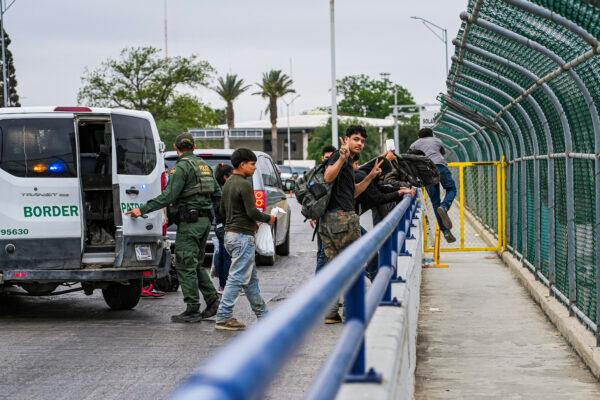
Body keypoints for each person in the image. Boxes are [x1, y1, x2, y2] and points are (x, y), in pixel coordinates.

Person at [128, 133, 221, 323]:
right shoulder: (205, 167)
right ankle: (212, 301)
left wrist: (142, 209)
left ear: (175, 147)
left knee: (185, 264)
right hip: (204, 222)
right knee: (194, 264)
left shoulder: (181, 168)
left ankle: (192, 309)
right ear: (194, 146)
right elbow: (217, 194)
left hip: (191, 223)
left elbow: (168, 197)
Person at [319, 125, 383, 324]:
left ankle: (330, 312)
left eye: (362, 141)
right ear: (346, 139)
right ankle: (351, 312)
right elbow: (328, 177)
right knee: (354, 265)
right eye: (356, 139)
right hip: (342, 220)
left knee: (335, 266)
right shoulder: (340, 157)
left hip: (332, 219)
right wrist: (341, 158)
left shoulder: (347, 163)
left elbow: (352, 193)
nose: (360, 144)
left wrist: (371, 176)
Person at [215, 148, 276, 331]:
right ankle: (223, 316)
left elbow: (223, 212)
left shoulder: (227, 184)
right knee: (237, 278)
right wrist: (268, 219)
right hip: (242, 237)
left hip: (230, 235)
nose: (255, 168)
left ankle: (264, 316)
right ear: (242, 164)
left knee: (250, 280)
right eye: (252, 164)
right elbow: (251, 211)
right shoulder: (244, 184)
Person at [409, 127, 457, 243]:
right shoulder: (437, 140)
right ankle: (445, 206)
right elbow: (442, 153)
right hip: (440, 166)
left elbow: (410, 158)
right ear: (432, 134)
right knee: (451, 189)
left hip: (425, 171)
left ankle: (445, 231)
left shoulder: (414, 144)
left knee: (435, 202)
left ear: (419, 136)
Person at [312, 145, 336, 274]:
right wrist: (312, 215)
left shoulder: (338, 171)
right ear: (322, 158)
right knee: (322, 251)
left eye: (332, 158)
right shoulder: (317, 174)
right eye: (327, 158)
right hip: (322, 218)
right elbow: (310, 196)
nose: (329, 161)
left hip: (336, 217)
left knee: (325, 252)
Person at [213, 163, 234, 294]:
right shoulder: (225, 190)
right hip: (225, 225)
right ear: (226, 177)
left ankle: (222, 286)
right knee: (227, 257)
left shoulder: (217, 189)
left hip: (218, 225)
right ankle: (225, 285)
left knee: (221, 255)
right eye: (232, 175)